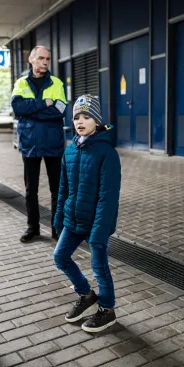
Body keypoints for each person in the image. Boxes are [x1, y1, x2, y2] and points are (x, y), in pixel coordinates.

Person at [53, 94, 121, 333]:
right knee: (60, 257)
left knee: (99, 267)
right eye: (76, 117)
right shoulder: (70, 151)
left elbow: (108, 197)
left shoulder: (107, 153)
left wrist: (100, 231)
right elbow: (63, 188)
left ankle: (107, 309)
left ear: (97, 122)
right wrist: (59, 216)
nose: (80, 121)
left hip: (96, 223)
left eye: (87, 116)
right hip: (73, 218)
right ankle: (85, 294)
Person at [11, 46, 67, 242]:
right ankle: (32, 228)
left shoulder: (57, 83)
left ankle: (56, 229)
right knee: (30, 189)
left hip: (53, 143)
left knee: (57, 189)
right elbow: (17, 108)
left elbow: (59, 111)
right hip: (30, 143)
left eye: (48, 59)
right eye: (41, 58)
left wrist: (32, 110)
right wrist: (44, 103)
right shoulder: (20, 84)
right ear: (32, 60)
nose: (45, 62)